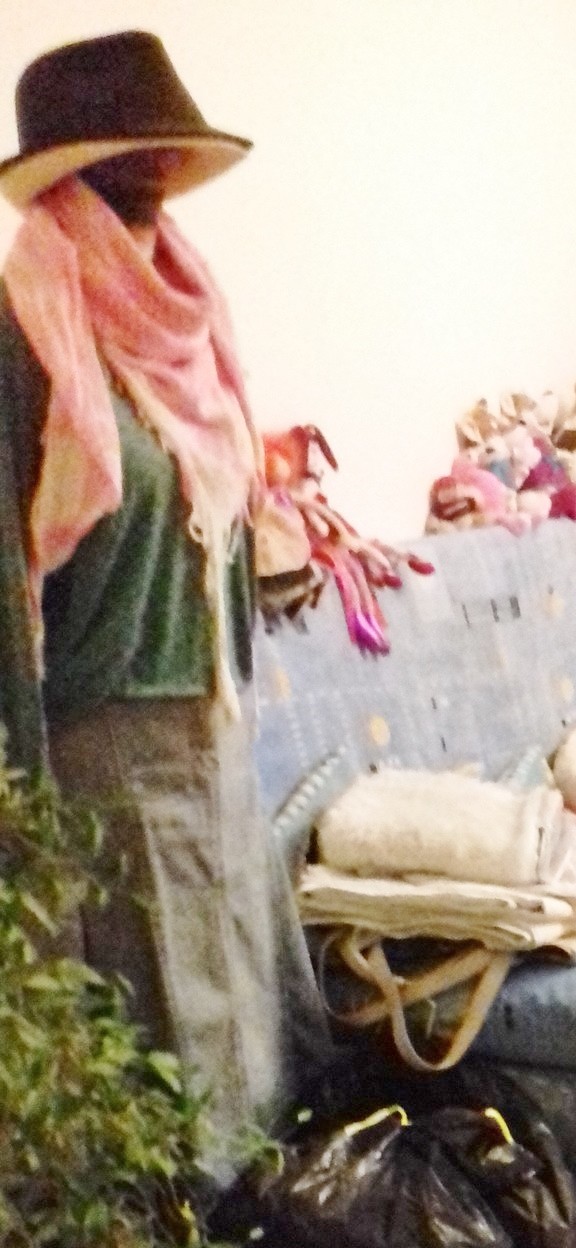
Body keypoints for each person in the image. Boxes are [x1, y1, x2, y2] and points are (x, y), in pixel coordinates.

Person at [0, 31, 330, 1179]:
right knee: (150, 1049)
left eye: (164, 156)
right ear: (66, 177)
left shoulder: (190, 327)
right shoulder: (27, 333)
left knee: (242, 1023)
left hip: (212, 732)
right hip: (100, 753)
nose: (153, 179)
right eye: (121, 159)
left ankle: (261, 1241)